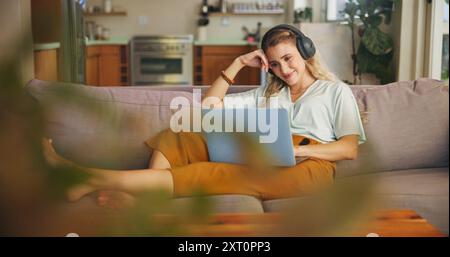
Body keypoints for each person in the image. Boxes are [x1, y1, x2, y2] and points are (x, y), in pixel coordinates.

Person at [42, 24, 366, 209]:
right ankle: (147, 196)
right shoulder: (269, 94)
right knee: (182, 131)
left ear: (306, 53)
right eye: (275, 63)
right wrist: (238, 64)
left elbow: (348, 148)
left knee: (215, 173)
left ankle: (88, 178)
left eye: (288, 58)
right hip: (266, 153)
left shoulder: (334, 91)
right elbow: (209, 109)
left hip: (311, 166)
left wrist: (297, 150)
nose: (284, 69)